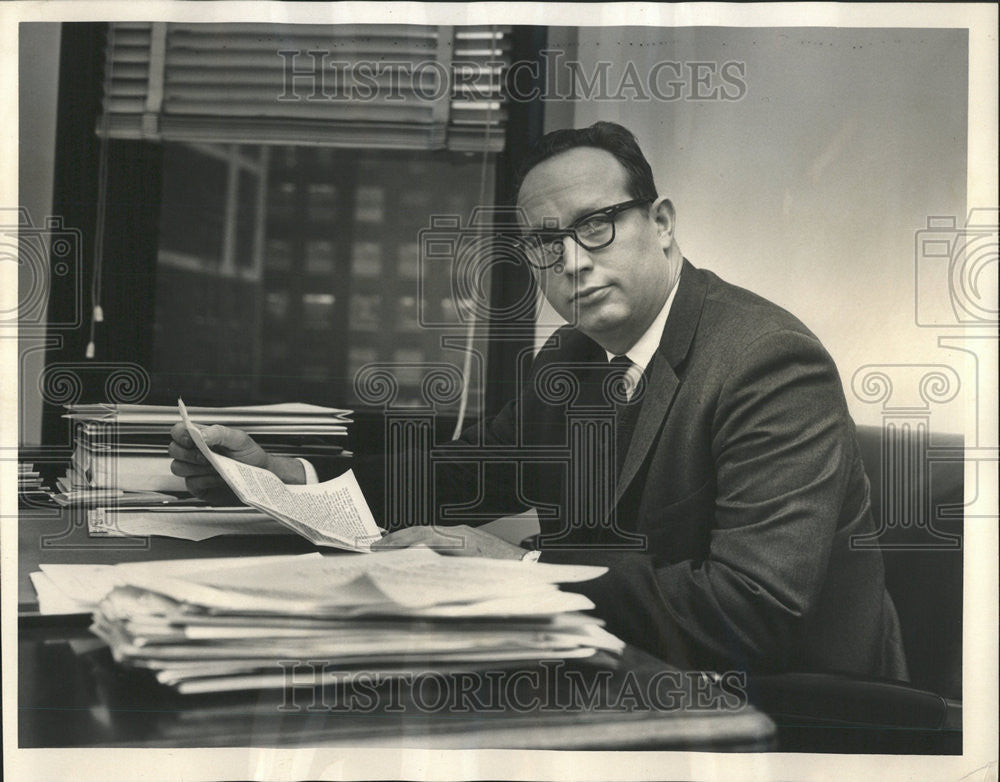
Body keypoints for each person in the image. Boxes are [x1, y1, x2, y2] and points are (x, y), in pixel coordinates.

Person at [170, 122, 907, 679]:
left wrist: (518, 569)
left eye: (596, 225)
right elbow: (463, 475)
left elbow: (755, 610)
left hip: (794, 705)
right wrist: (284, 474)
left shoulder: (766, 360)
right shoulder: (572, 357)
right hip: (627, 668)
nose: (574, 262)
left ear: (663, 225)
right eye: (545, 242)